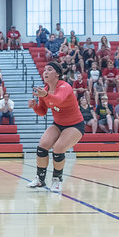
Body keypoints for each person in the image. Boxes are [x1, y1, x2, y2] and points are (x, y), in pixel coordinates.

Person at [27, 62, 84, 192]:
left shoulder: (65, 86)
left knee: (58, 149)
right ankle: (40, 179)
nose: (45, 72)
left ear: (57, 74)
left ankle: (57, 180)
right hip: (58, 124)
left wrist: (45, 96)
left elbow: (58, 100)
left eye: (49, 69)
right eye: (44, 70)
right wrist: (35, 106)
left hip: (75, 125)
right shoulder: (45, 90)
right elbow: (42, 112)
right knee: (42, 146)